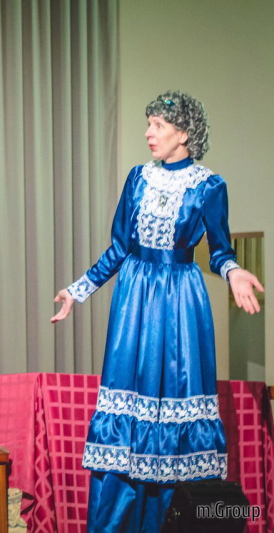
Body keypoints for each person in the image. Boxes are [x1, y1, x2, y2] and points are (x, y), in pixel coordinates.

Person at [51, 91, 264, 532]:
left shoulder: (209, 186)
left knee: (179, 396)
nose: (149, 133)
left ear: (183, 134)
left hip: (181, 301)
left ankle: (177, 517)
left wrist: (234, 271)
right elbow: (119, 248)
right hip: (134, 301)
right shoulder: (138, 178)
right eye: (148, 124)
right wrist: (78, 291)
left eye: (159, 126)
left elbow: (219, 250)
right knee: (128, 402)